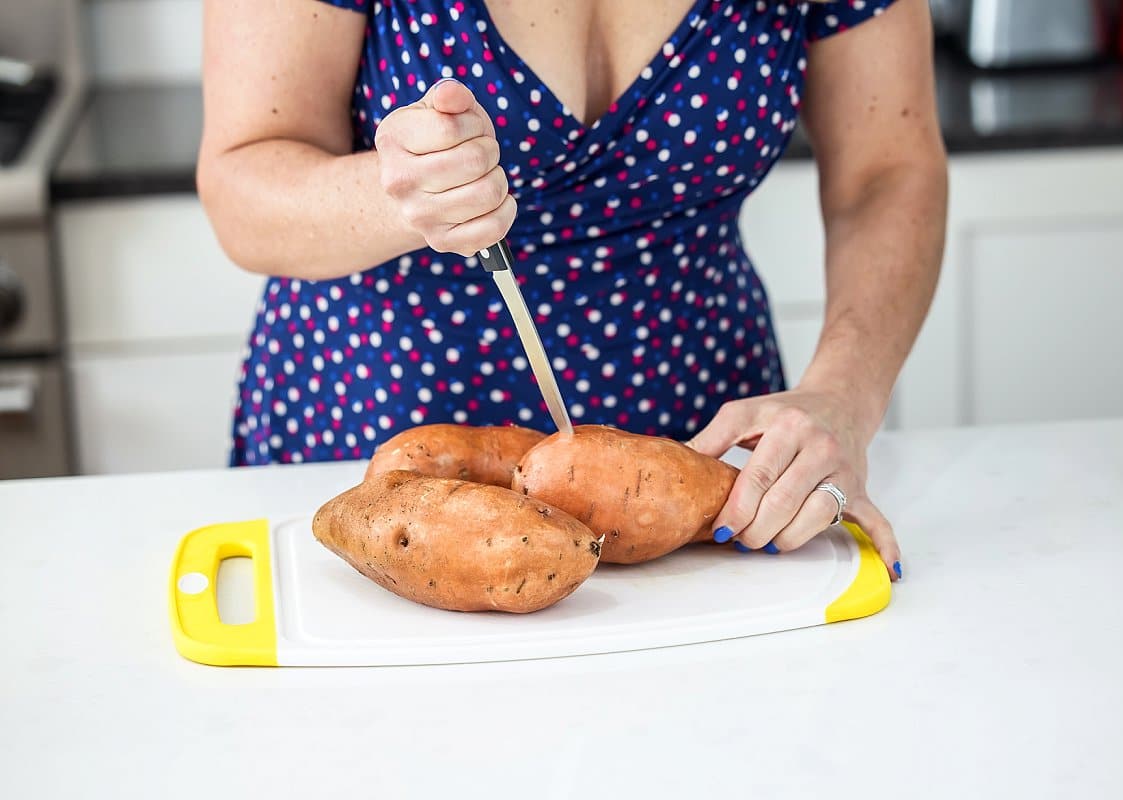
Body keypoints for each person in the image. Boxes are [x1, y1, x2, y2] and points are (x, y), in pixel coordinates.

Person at [197, 0, 947, 581]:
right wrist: (394, 194)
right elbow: (240, 187)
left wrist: (843, 398)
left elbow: (889, 167)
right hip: (377, 446)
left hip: (704, 458)